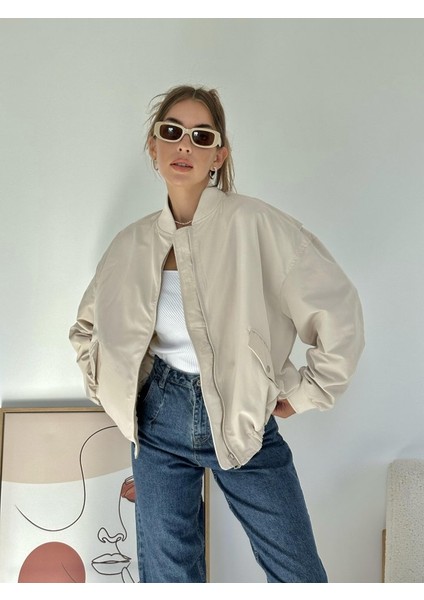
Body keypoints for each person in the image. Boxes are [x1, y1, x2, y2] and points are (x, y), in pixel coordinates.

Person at [69, 84, 364, 583]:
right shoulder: (130, 244)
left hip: (243, 420)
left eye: (201, 136)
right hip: (157, 423)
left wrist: (307, 393)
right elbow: (86, 328)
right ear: (153, 145)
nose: (184, 144)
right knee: (169, 580)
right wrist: (112, 388)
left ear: (218, 155)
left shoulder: (256, 224)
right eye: (171, 131)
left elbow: (338, 309)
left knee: (299, 576)